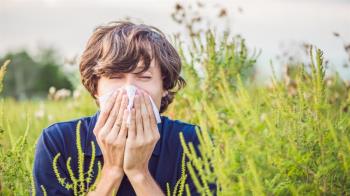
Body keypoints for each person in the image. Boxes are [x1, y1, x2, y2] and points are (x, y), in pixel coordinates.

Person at [32, 21, 216, 195]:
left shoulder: (193, 142)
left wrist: (139, 173)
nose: (130, 91)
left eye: (144, 77)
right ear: (95, 87)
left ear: (164, 87)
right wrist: (112, 171)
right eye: (115, 77)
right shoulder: (58, 142)